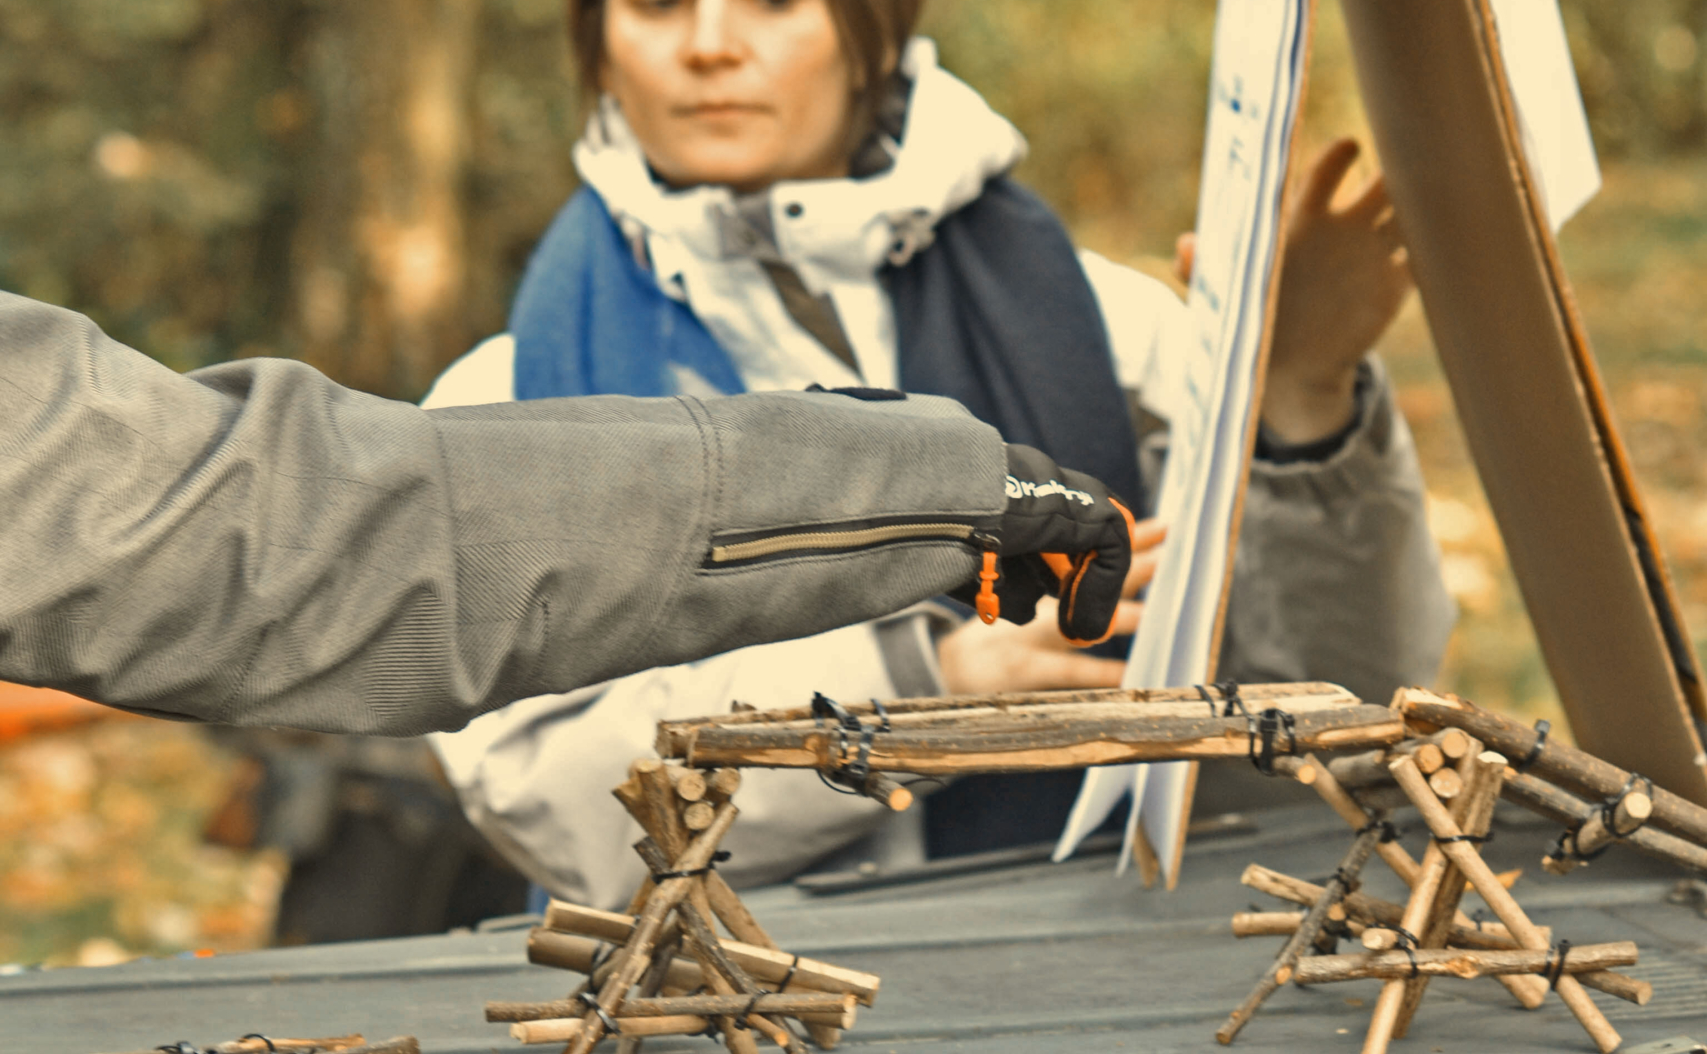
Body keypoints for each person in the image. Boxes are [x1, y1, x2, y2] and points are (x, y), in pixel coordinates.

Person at [428, 0, 1454, 902]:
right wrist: (915, 692)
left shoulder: (1111, 332)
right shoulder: (505, 403)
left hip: (1110, 1000)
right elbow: (546, 802)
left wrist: (1302, 401)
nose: (710, 43)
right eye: (657, 0)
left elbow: (1349, 700)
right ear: (599, 43)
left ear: (872, 31)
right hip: (712, 1031)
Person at [0, 287, 1126, 733]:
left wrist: (920, 491)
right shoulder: (543, 328)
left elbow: (309, 544)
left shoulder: (1057, 293)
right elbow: (323, 551)